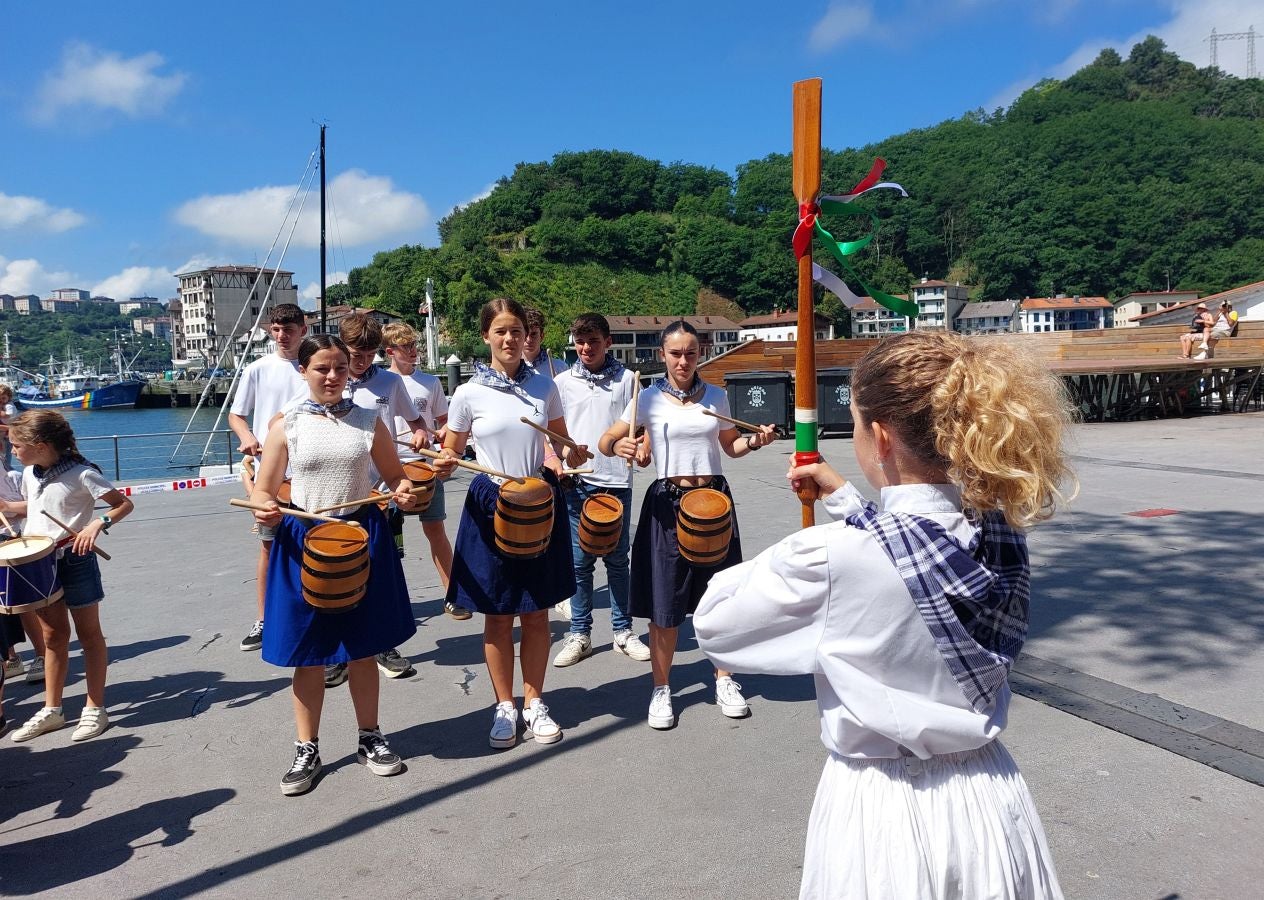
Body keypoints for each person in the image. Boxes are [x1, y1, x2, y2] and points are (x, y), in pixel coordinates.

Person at [693, 331, 1071, 899]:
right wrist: (848, 503)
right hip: (989, 799)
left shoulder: (829, 557)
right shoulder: (1000, 535)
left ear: (883, 437)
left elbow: (717, 626)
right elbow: (915, 545)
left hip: (881, 812)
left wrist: (816, 541)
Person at [252, 334, 420, 796]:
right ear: (303, 371)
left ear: (350, 371)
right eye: (321, 368)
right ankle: (307, 748)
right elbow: (264, 489)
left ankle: (370, 737)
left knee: (363, 647)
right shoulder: (286, 424)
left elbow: (396, 477)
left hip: (361, 536)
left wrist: (404, 491)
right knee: (309, 653)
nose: (331, 377)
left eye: (340, 369)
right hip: (305, 540)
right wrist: (264, 507)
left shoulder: (369, 421)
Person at [598, 319, 775, 730]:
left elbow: (731, 446)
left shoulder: (716, 396)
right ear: (662, 354)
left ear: (701, 353)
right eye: (675, 353)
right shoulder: (646, 397)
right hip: (667, 504)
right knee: (665, 605)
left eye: (690, 353)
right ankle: (662, 688)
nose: (683, 361)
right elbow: (606, 441)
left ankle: (724, 679)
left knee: (721, 599)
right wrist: (621, 444)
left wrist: (755, 440)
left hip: (713, 500)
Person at [432, 298, 588, 749]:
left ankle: (535, 702)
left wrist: (571, 454)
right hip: (490, 501)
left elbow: (559, 442)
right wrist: (445, 462)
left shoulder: (544, 386)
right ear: (486, 336)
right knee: (499, 615)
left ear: (526, 336)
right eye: (500, 331)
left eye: (516, 331)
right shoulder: (467, 394)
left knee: (536, 612)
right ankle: (504, 705)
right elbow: (452, 449)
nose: (509, 338)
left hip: (538, 498)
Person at [2, 410, 134, 743]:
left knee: (89, 635)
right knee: (52, 638)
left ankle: (95, 708)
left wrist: (97, 524)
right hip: (39, 562)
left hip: (75, 560)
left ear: (40, 445)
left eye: (16, 445)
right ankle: (53, 709)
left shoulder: (82, 474)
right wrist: (7, 507)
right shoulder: (30, 474)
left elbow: (122, 504)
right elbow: (37, 509)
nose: (12, 451)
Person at [326, 312, 429, 687]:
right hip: (338, 496)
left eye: (370, 354)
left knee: (382, 573)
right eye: (356, 354)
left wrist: (420, 433)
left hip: (383, 496)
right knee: (340, 576)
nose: (363, 361)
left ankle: (383, 646)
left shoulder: (390, 382)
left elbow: (417, 422)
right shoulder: (329, 382)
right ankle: (338, 654)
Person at [552, 313, 650, 667]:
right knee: (579, 564)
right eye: (580, 341)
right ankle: (580, 634)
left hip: (616, 483)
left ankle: (623, 632)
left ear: (608, 342)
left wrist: (643, 448)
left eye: (593, 341)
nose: (586, 348)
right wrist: (560, 458)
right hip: (576, 481)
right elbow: (553, 433)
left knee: (618, 562)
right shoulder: (561, 383)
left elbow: (642, 428)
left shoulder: (629, 381)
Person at [228, 303, 309, 652]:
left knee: (312, 543)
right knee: (269, 546)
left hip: (310, 471)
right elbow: (236, 415)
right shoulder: (256, 369)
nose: (281, 336)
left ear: (303, 329)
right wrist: (246, 436)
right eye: (276, 329)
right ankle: (264, 619)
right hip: (271, 476)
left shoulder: (312, 367)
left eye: (288, 329)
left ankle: (312, 613)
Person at [381, 322, 465, 622]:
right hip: (387, 470)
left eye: (414, 345)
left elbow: (444, 421)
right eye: (406, 347)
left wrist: (440, 435)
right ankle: (388, 601)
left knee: (435, 530)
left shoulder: (430, 383)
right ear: (390, 351)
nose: (413, 351)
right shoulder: (381, 382)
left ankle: (453, 594)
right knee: (387, 539)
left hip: (424, 467)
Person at [0, 384, 16, 470]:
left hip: (7, 431)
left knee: (5, 456)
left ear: (9, 397)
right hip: (6, 430)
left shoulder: (9, 405)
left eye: (3, 398)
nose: (1, 400)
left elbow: (7, 415)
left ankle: (7, 470)